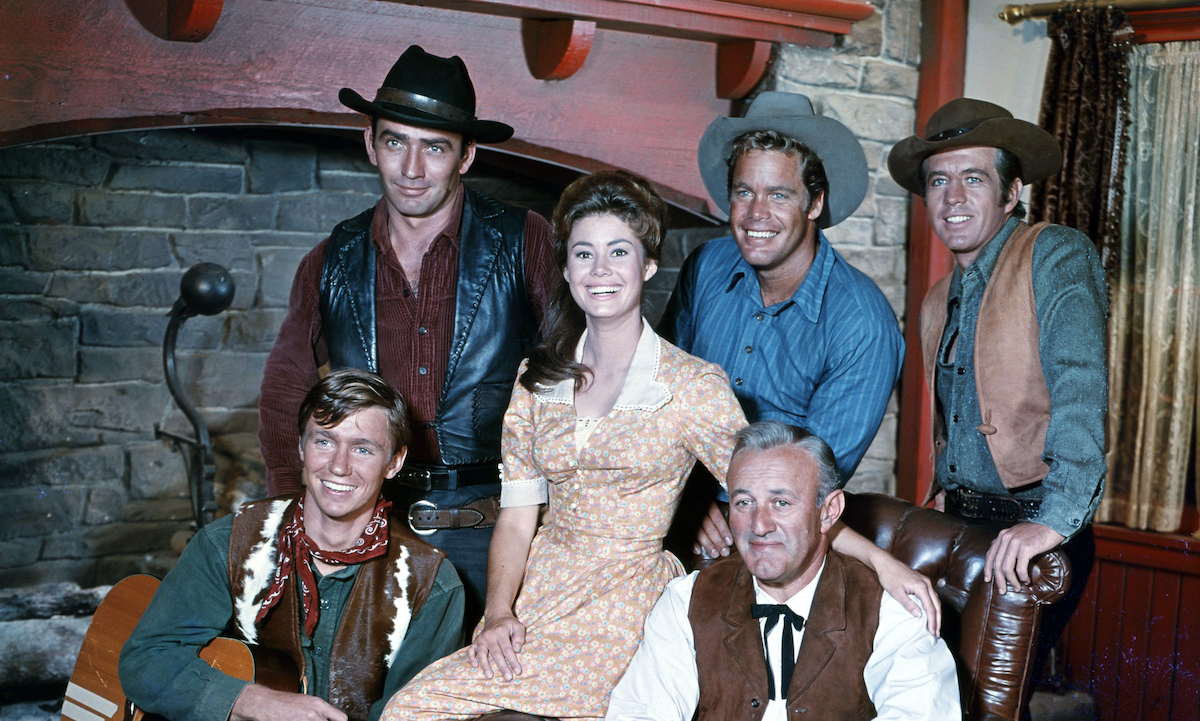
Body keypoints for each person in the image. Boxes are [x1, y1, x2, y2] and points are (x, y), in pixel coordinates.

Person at [379, 170, 747, 719]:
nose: (600, 271)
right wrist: (499, 612)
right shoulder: (538, 379)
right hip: (538, 595)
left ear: (646, 265)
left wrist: (877, 562)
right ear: (567, 270)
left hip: (625, 603)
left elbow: (773, 490)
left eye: (618, 251)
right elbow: (518, 516)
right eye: (583, 254)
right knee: (409, 707)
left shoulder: (692, 386)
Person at [257, 45, 557, 626]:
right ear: (370, 143)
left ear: (466, 155)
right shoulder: (331, 259)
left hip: (497, 525)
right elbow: (284, 390)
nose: (412, 169)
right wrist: (293, 514)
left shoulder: (525, 239)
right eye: (395, 141)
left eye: (435, 147)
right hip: (373, 523)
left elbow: (576, 368)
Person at [886, 98, 1106, 666]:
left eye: (973, 178)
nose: (952, 198)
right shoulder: (938, 299)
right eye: (938, 181)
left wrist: (1050, 525)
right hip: (956, 524)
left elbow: (1080, 391)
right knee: (939, 692)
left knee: (995, 697)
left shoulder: (1054, 254)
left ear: (1010, 194)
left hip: (1030, 527)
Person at [120, 369, 465, 721]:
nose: (339, 466)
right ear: (301, 446)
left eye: (362, 448)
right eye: (324, 441)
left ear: (394, 462)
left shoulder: (431, 586)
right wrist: (251, 703)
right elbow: (145, 658)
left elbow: (419, 712)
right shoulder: (229, 544)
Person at [607, 421, 960, 720]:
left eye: (781, 503)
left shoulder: (892, 609)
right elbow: (640, 712)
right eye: (744, 502)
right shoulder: (686, 601)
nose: (759, 525)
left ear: (829, 511)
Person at [660, 91, 903, 484]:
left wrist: (712, 505)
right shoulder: (705, 266)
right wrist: (688, 504)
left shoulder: (863, 325)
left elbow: (813, 482)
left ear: (814, 203)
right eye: (744, 192)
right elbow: (658, 391)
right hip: (675, 494)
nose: (756, 213)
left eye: (778, 194)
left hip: (775, 523)